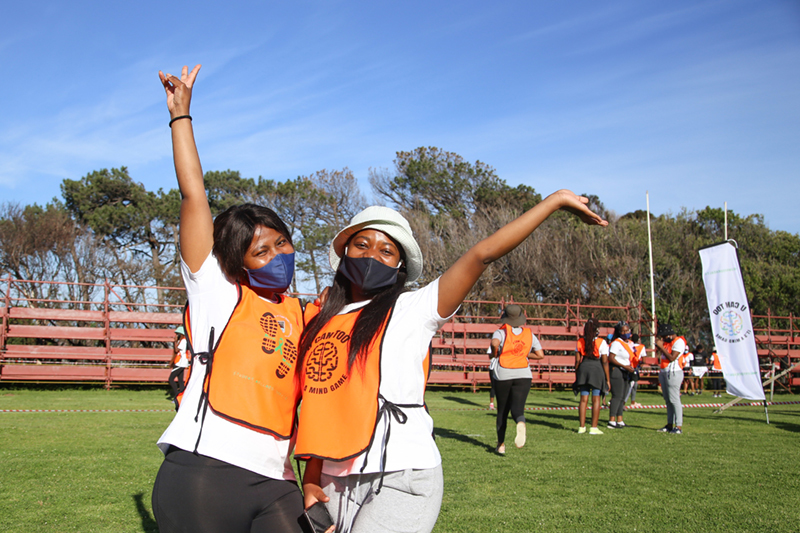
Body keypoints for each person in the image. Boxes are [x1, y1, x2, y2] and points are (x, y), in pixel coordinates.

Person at [296, 192, 606, 533]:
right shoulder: (318, 318)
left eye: (386, 251)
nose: (372, 256)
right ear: (344, 253)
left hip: (402, 475)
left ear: (400, 266)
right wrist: (312, 478)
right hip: (332, 483)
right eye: (362, 245)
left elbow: (482, 255)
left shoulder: (414, 308)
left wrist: (554, 202)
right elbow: (320, 404)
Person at [151, 65, 309, 533]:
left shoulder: (302, 312)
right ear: (238, 262)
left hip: (278, 479)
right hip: (204, 472)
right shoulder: (216, 290)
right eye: (261, 250)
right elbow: (193, 194)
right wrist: (182, 116)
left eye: (283, 242)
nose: (279, 255)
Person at [489, 304, 545, 454]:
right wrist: (524, 355)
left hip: (504, 372)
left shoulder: (501, 332)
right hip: (524, 374)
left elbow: (494, 343)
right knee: (517, 409)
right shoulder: (529, 334)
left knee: (502, 410)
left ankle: (500, 445)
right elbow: (540, 355)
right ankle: (520, 421)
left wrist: (495, 353)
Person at [573, 318, 610, 435]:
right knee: (596, 399)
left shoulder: (580, 341)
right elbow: (604, 362)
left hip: (584, 368)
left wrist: (577, 374)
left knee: (583, 399)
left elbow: (578, 361)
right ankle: (593, 427)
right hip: (596, 369)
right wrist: (608, 379)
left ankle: (581, 427)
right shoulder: (601, 342)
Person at [655, 323, 687, 434]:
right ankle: (669, 424)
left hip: (674, 373)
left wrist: (661, 347)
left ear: (669, 335)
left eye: (664, 337)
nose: (663, 339)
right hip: (664, 372)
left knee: (674, 400)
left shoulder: (679, 341)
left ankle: (678, 426)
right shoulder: (667, 343)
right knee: (668, 400)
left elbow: (672, 357)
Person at [606, 321, 636, 428]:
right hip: (617, 370)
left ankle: (620, 420)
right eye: (622, 331)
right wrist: (624, 366)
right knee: (617, 396)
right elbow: (611, 358)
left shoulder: (630, 343)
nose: (625, 333)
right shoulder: (616, 343)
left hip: (626, 371)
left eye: (627, 330)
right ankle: (611, 420)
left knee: (622, 396)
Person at [168, 326, 190, 409]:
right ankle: (182, 397)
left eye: (177, 334)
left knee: (171, 379)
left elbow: (176, 350)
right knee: (180, 381)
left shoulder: (183, 341)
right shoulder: (183, 341)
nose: (176, 335)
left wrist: (174, 342)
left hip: (180, 363)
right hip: (182, 363)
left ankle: (177, 396)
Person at [624, 333, 645, 408]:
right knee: (631, 385)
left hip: (627, 365)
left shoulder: (629, 344)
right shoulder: (641, 347)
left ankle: (632, 401)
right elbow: (644, 359)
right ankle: (623, 402)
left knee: (634, 385)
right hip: (634, 367)